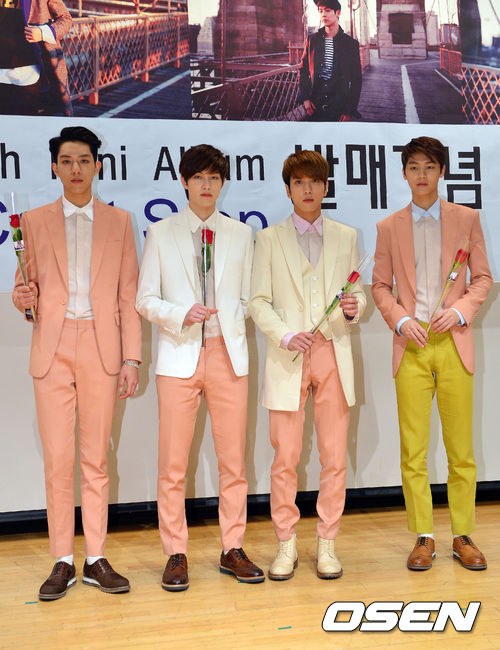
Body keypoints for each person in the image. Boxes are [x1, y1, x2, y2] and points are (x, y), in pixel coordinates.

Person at [12, 126, 142, 600]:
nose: (75, 169)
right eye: (66, 161)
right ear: (55, 167)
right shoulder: (32, 221)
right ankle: (62, 559)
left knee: (95, 459)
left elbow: (128, 296)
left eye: (84, 160)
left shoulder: (120, 222)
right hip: (53, 346)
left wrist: (132, 357)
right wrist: (23, 300)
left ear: (97, 166)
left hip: (102, 348)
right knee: (57, 459)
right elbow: (25, 290)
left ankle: (96, 558)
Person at [136, 144, 264, 591]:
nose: (206, 186)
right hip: (179, 357)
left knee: (234, 463)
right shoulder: (160, 232)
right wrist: (180, 314)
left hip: (228, 356)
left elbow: (249, 298)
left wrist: (231, 319)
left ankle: (233, 547)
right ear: (184, 182)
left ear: (223, 183)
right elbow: (145, 299)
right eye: (198, 178)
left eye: (214, 178)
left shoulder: (241, 233)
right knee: (173, 464)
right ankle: (175, 552)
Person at [371, 136, 492, 571]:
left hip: (453, 343)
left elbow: (482, 278)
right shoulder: (388, 227)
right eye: (414, 167)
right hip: (412, 346)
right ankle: (423, 535)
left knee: (461, 449)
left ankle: (462, 535)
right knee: (413, 449)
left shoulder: (467, 219)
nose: (421, 175)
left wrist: (458, 311)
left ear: (441, 171)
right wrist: (401, 319)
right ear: (404, 173)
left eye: (429, 167)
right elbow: (380, 286)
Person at [249, 150, 366, 580]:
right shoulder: (268, 238)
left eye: (315, 182)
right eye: (299, 182)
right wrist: (284, 335)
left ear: (325, 186)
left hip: (332, 352)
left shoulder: (346, 236)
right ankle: (286, 544)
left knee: (334, 456)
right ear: (288, 190)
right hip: (289, 355)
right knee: (286, 457)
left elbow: (357, 293)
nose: (308, 189)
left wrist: (353, 308)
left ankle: (327, 543)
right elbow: (258, 301)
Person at [0, 0, 73, 116]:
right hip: (2, 70)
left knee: (26, 122)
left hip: (28, 73)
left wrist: (42, 33)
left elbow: (66, 19)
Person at [299, 0, 362, 122]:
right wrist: (305, 98)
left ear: (337, 13)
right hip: (314, 105)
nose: (323, 14)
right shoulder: (312, 40)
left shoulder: (350, 44)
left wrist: (349, 110)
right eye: (320, 11)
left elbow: (356, 80)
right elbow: (303, 70)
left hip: (339, 107)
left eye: (327, 11)